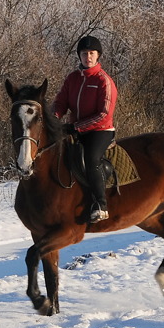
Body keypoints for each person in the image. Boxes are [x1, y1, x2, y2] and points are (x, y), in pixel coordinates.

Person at [53, 35, 118, 223]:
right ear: (79, 56)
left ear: (98, 56)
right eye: (84, 53)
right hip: (75, 129)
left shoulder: (104, 81)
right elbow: (60, 103)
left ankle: (100, 204)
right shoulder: (72, 79)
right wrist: (53, 119)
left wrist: (76, 127)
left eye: (91, 53)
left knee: (91, 158)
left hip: (100, 131)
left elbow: (104, 114)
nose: (88, 57)